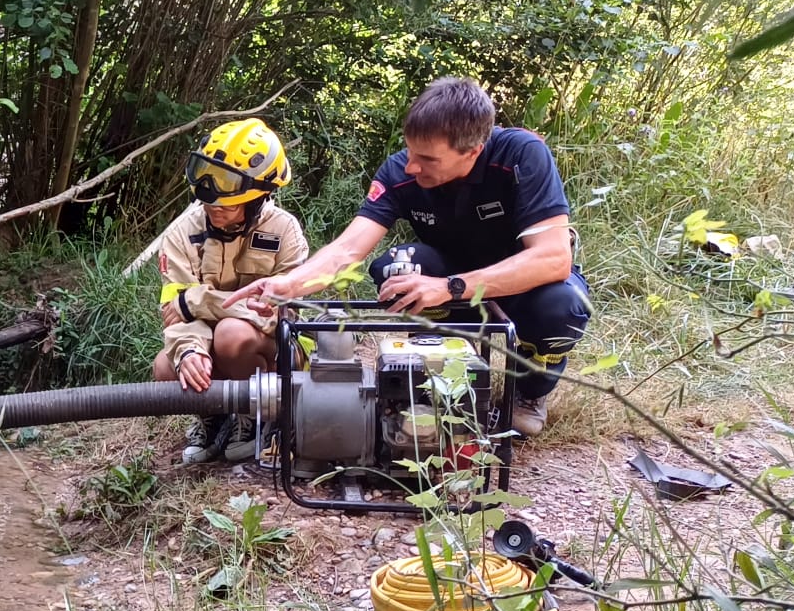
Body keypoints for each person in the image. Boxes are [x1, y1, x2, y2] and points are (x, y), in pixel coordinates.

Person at [220, 77, 591, 437]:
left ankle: (531, 389)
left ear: (473, 150)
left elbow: (552, 258)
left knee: (563, 306)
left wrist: (451, 287)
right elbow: (348, 250)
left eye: (427, 159)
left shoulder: (521, 155)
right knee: (396, 268)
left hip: (518, 282)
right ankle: (434, 373)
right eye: (410, 151)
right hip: (448, 274)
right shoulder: (401, 171)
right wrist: (286, 285)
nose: (411, 166)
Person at [144, 118, 309, 463]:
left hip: (272, 351)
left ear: (259, 197)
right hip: (212, 344)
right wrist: (189, 351)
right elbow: (174, 313)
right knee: (166, 366)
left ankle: (258, 415)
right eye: (209, 204)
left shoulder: (284, 230)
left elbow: (277, 313)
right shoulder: (180, 235)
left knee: (232, 335)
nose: (214, 212)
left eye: (227, 206)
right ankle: (214, 416)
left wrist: (199, 300)